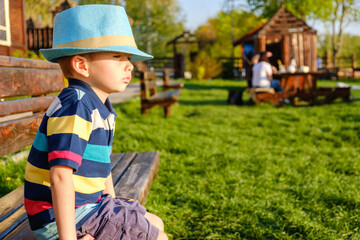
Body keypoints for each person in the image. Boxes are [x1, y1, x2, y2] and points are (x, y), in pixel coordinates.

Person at [24, 5, 167, 240]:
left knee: (156, 223)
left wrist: (111, 203)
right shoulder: (76, 106)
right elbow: (60, 175)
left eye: (128, 58)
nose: (129, 65)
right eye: (117, 56)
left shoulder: (99, 105)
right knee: (158, 237)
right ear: (82, 65)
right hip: (62, 216)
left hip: (90, 205)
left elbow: (102, 163)